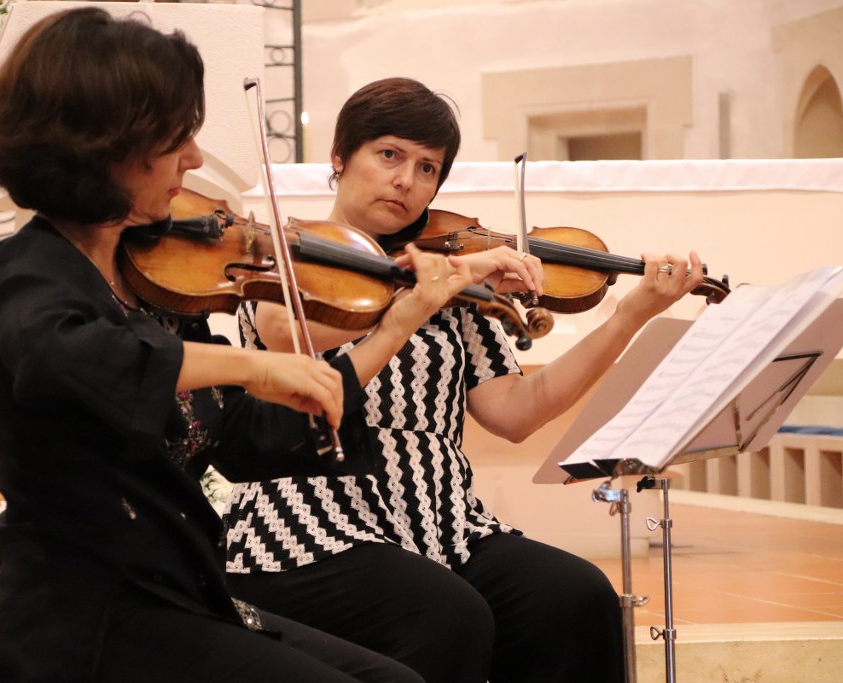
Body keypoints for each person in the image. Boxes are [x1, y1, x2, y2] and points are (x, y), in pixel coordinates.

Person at [0, 13, 474, 682]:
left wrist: (396, 324)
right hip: (85, 620)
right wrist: (253, 363)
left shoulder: (155, 283)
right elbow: (72, 356)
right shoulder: (25, 273)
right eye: (177, 138)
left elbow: (245, 437)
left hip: (180, 592)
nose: (196, 160)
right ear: (106, 142)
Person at [223, 77, 706, 683]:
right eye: (390, 155)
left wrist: (629, 316)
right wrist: (432, 282)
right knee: (445, 614)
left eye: (428, 168)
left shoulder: (453, 286)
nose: (407, 180)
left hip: (442, 522)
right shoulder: (289, 253)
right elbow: (286, 330)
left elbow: (516, 411)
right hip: (307, 524)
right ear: (341, 157)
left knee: (575, 596)